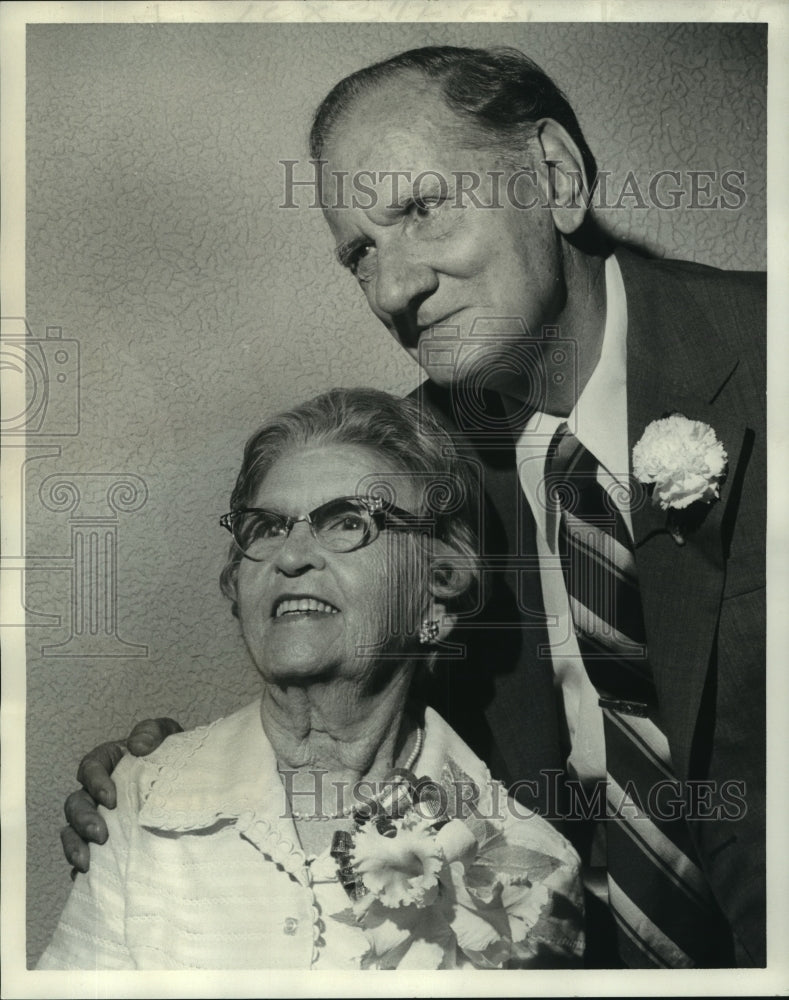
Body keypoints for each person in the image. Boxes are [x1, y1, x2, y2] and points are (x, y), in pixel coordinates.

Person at [58, 46, 765, 968]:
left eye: (421, 209)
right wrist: (161, 781)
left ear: (554, 176)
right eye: (360, 252)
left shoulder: (765, 354)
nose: (393, 290)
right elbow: (346, 702)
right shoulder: (403, 478)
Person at [38, 388, 584, 970]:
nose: (291, 556)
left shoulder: (522, 864)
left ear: (436, 596)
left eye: (348, 522)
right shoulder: (144, 795)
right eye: (267, 527)